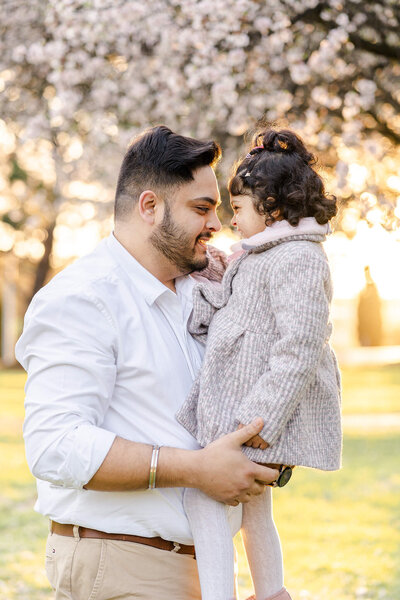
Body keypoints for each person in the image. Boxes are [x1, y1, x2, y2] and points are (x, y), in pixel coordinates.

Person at [15, 126, 280, 600]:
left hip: (208, 567)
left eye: (217, 209)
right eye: (202, 208)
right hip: (123, 566)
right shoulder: (82, 299)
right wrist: (196, 469)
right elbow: (54, 444)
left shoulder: (206, 292)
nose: (216, 223)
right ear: (150, 207)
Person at [177, 128, 343, 600]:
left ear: (271, 208)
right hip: (247, 409)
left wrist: (262, 420)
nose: (231, 221)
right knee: (254, 511)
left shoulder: (300, 259)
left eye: (239, 210)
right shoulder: (259, 255)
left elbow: (303, 343)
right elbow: (230, 301)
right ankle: (271, 594)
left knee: (205, 501)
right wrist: (208, 270)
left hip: (260, 415)